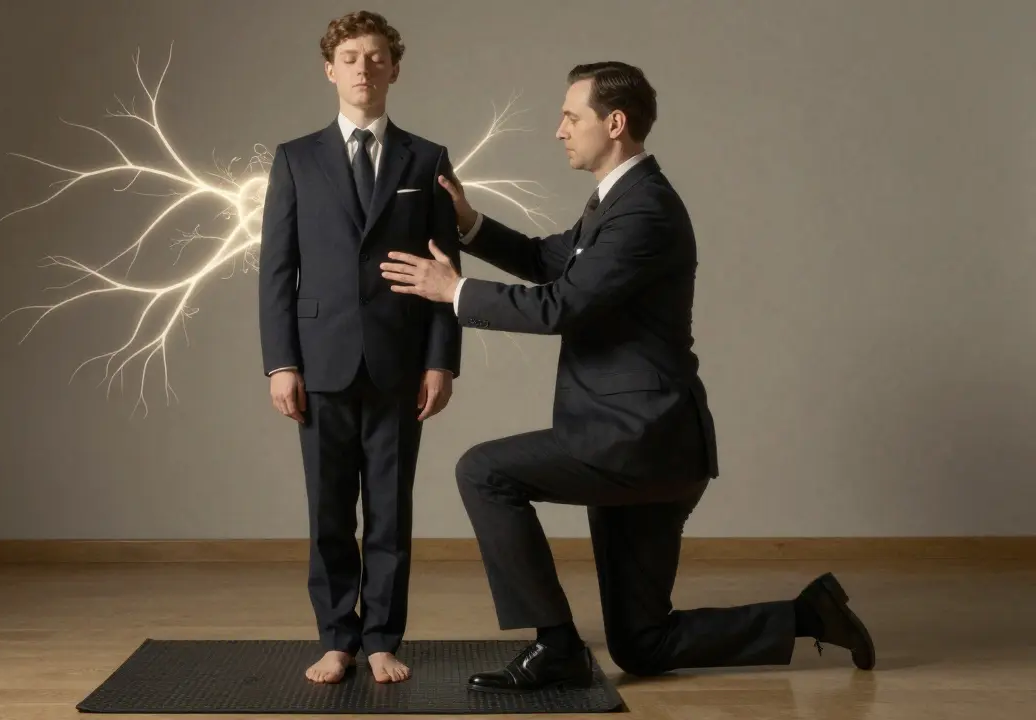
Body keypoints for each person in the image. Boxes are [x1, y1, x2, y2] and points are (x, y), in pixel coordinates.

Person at [379, 61, 875, 692]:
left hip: (638, 442)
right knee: (643, 644)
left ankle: (556, 646)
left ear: (614, 123)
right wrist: (469, 224)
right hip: (648, 443)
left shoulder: (645, 211)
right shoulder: (619, 202)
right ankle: (809, 615)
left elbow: (562, 306)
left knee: (483, 471)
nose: (559, 129)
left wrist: (454, 291)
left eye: (571, 116)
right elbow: (549, 261)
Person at [258, 10, 463, 685]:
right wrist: (281, 363)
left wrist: (440, 359)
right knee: (328, 510)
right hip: (319, 360)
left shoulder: (426, 159)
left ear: (394, 69)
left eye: (376, 57)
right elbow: (277, 270)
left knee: (390, 509)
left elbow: (446, 268)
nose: (363, 68)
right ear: (329, 69)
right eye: (350, 57)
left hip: (400, 360)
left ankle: (381, 638)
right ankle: (336, 638)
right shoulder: (295, 159)